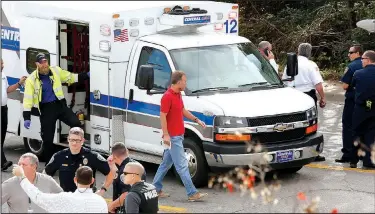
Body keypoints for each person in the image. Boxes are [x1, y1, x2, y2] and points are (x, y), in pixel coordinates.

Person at [22, 53, 90, 161]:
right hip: (46, 109)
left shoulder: (55, 71)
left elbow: (70, 77)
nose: (44, 65)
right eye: (41, 63)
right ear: (37, 64)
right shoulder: (32, 80)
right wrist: (26, 117)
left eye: (45, 62)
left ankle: (76, 151)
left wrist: (85, 75)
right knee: (48, 139)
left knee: (76, 124)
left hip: (59, 105)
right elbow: (27, 100)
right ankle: (50, 165)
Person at [152, 71, 208, 201]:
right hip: (173, 137)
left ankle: (155, 189)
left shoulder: (178, 95)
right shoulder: (167, 97)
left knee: (166, 164)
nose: (186, 83)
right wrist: (166, 135)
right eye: (184, 81)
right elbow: (163, 116)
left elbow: (182, 110)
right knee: (182, 165)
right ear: (178, 82)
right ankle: (192, 193)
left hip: (178, 135)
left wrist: (196, 120)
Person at [282, 43, 326, 162]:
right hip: (307, 96)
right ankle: (313, 153)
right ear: (310, 52)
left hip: (292, 95)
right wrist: (323, 98)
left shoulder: (289, 64)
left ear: (298, 51)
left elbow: (284, 81)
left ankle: (290, 149)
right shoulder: (311, 65)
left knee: (292, 123)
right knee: (311, 125)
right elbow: (318, 85)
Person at [44, 127, 116, 192]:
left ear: (82, 140)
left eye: (77, 140)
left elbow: (110, 173)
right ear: (68, 139)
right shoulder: (59, 156)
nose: (74, 143)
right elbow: (45, 175)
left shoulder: (92, 156)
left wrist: (102, 190)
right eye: (72, 140)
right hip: (67, 199)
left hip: (87, 199)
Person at [13, 165, 109, 213]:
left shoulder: (64, 199)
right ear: (92, 181)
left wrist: (22, 177)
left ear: (75, 180)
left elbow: (38, 197)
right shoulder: (101, 202)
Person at [336, 45, 363, 163]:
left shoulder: (352, 66)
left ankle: (347, 154)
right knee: (363, 127)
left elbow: (345, 86)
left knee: (347, 126)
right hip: (365, 102)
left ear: (358, 53)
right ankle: (361, 154)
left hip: (352, 101)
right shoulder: (369, 65)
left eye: (351, 52)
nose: (349, 54)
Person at [349, 50, 375, 169]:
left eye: (363, 59)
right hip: (373, 108)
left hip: (360, 108)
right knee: (371, 134)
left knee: (356, 133)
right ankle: (368, 161)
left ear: (368, 60)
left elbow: (352, 86)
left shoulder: (358, 73)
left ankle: (353, 160)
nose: (361, 61)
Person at [104, 142, 147, 213]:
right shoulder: (137, 166)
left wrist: (111, 205)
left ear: (114, 156)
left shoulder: (125, 171)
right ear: (127, 151)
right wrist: (111, 165)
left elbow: (126, 194)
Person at [1, 58, 27, 171]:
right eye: (1, 63)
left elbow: (7, 90)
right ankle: (3, 162)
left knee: (2, 136)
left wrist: (19, 84)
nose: (3, 64)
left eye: (3, 62)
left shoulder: (3, 75)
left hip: (4, 109)